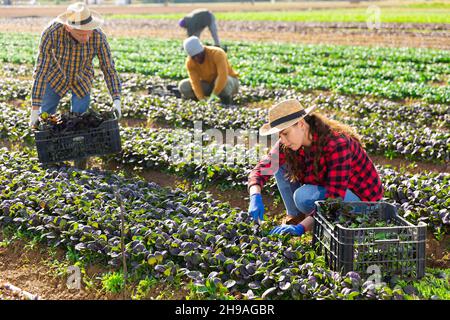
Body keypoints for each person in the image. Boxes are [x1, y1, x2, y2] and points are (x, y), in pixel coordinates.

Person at [247, 99, 384, 236]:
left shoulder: (337, 144)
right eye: (279, 135)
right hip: (334, 191)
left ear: (301, 124)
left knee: (303, 197)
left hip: (362, 201)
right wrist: (255, 195)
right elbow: (263, 167)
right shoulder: (291, 141)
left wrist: (302, 228)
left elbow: (334, 199)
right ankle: (296, 217)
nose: (283, 140)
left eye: (286, 133)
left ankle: (311, 222)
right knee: (279, 164)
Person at [29, 2, 122, 168]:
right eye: (81, 34)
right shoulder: (51, 33)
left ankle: (80, 160)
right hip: (55, 77)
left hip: (81, 78)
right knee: (46, 118)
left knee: (80, 121)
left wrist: (116, 99)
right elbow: (41, 70)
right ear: (68, 28)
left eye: (89, 32)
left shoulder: (98, 36)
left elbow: (108, 68)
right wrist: (35, 109)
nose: (87, 37)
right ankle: (51, 157)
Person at [178, 36, 239, 105]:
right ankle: (199, 103)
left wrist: (214, 94)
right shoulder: (190, 62)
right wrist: (201, 99)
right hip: (209, 84)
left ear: (202, 50)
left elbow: (222, 76)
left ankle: (226, 102)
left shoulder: (217, 53)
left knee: (225, 82)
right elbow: (195, 82)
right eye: (194, 57)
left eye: (198, 55)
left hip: (229, 83)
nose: (197, 58)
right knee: (184, 86)